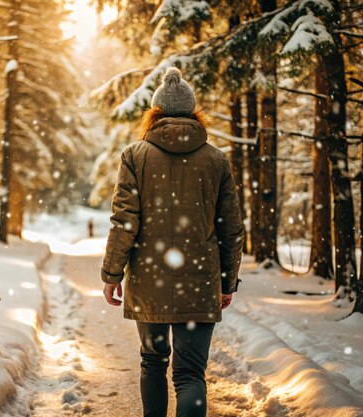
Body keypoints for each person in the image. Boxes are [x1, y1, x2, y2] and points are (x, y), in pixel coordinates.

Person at [100, 67, 245, 417]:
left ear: (155, 113)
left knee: (153, 362)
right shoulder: (215, 159)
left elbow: (124, 222)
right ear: (194, 114)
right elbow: (231, 229)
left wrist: (112, 273)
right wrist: (227, 281)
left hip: (150, 280)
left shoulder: (135, 156)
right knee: (190, 373)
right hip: (199, 279)